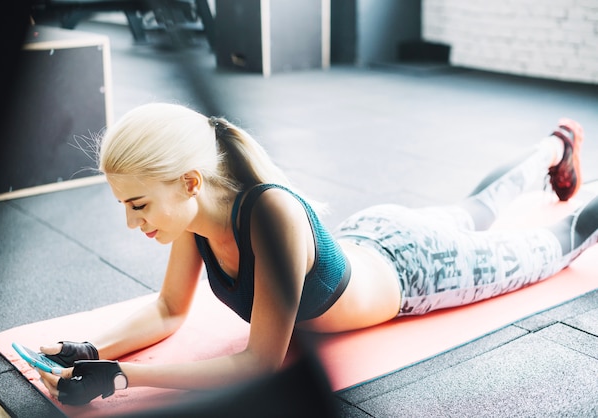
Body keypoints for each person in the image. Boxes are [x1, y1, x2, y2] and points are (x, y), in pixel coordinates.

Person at [38, 102, 598, 405]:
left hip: (420, 271)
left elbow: (261, 361)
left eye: (137, 204)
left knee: (555, 246)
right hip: (374, 234)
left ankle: (557, 151)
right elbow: (168, 310)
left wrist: (124, 377)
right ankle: (556, 147)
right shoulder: (194, 218)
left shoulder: (270, 214)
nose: (131, 222)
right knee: (475, 209)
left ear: (188, 181)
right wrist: (93, 348)